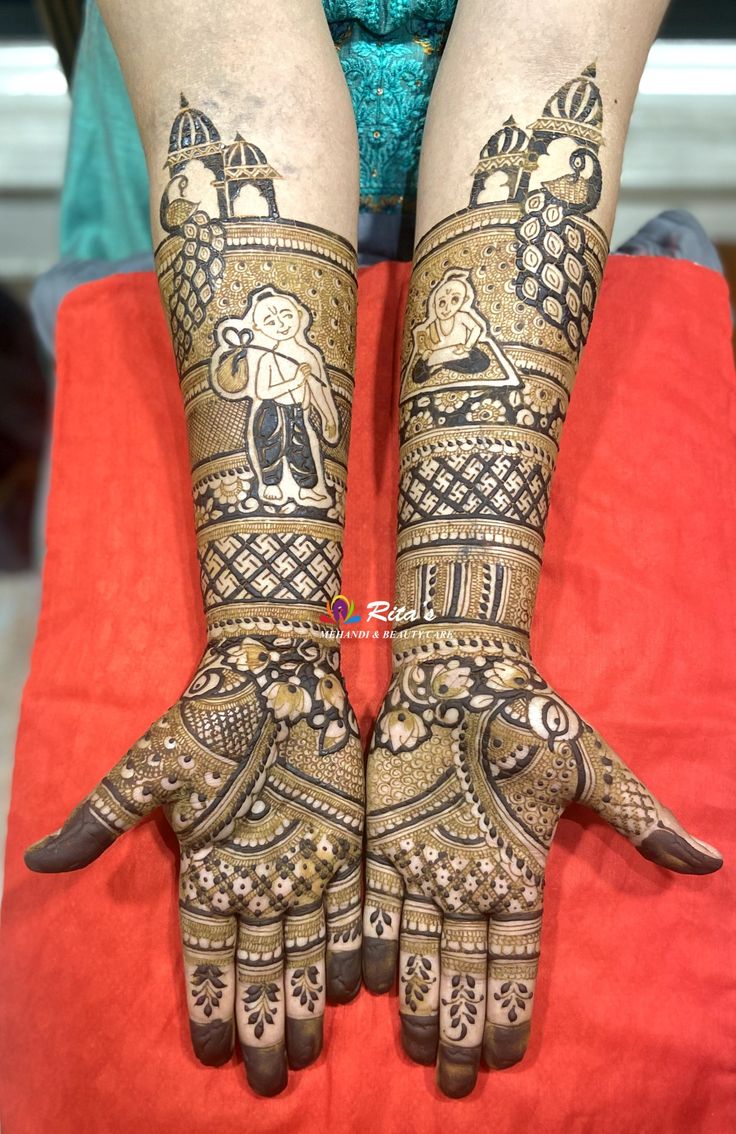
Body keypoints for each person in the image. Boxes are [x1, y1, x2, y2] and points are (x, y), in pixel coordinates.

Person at [25, 0, 722, 1102]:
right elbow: (221, 58)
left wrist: (465, 647)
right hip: (194, 189)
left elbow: (544, 63)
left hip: (496, 265)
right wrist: (268, 642)